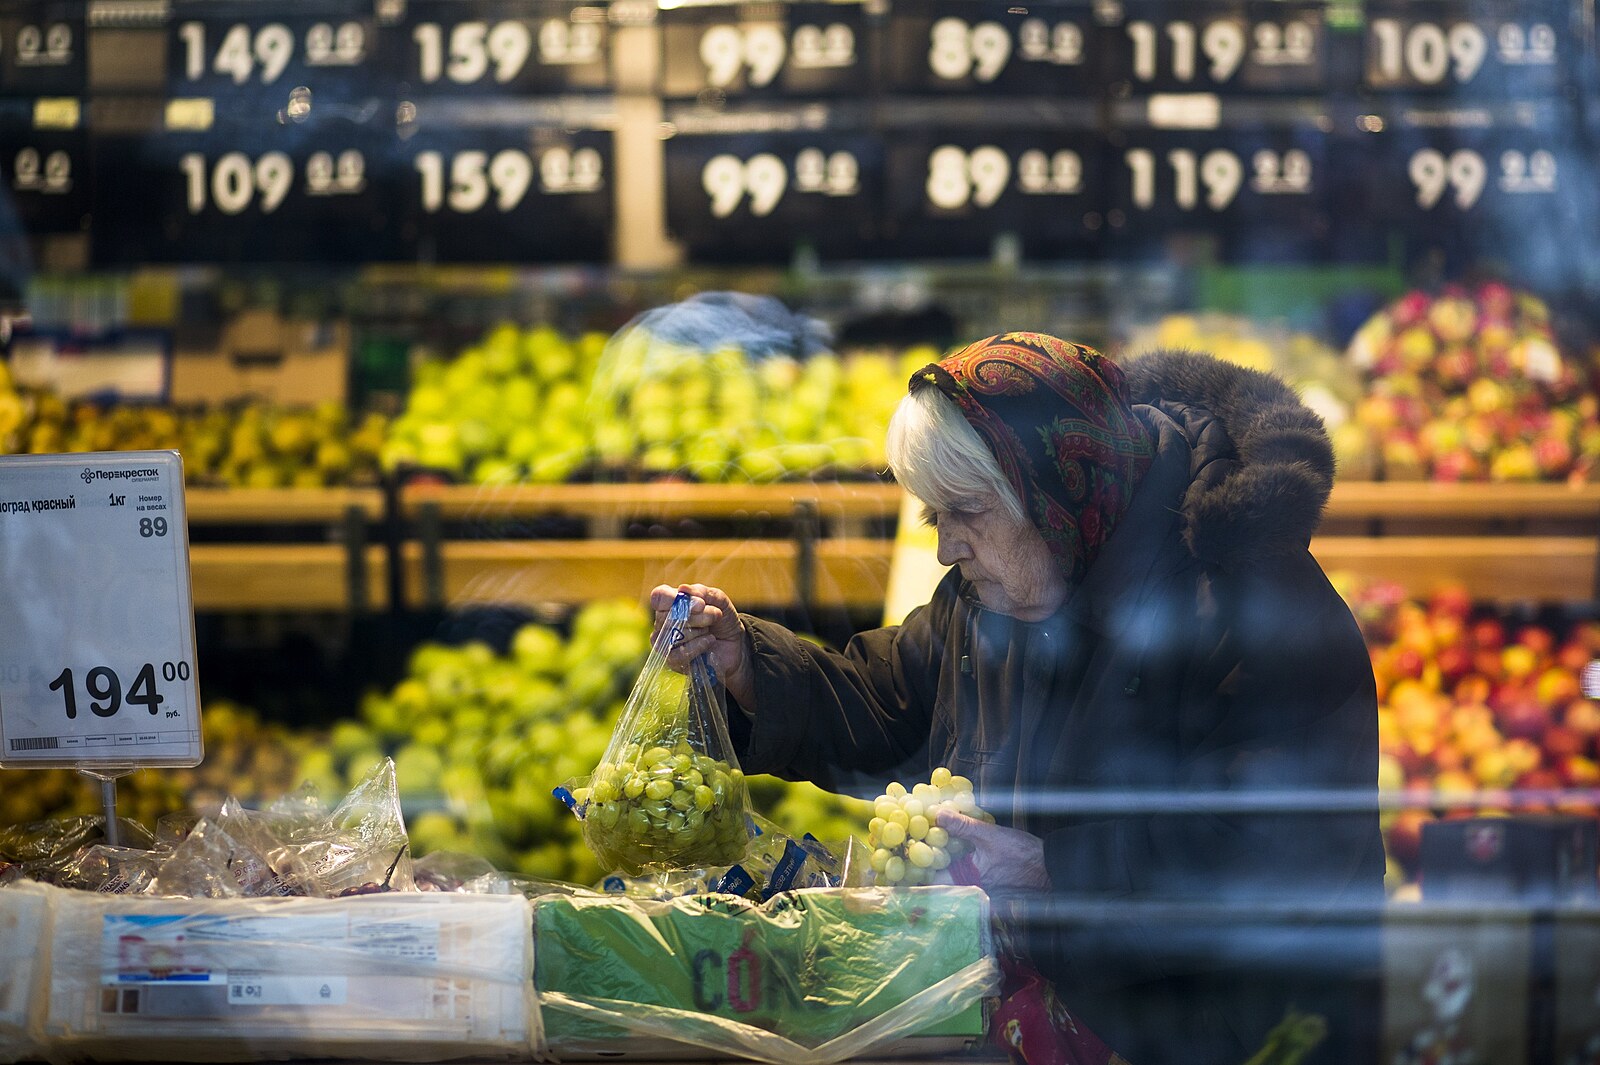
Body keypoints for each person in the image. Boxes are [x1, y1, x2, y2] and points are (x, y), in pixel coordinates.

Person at [652, 332, 1385, 1064]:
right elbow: (886, 696)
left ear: (1055, 492)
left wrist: (1054, 872)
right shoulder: (997, 595)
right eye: (934, 517)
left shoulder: (1254, 605)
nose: (947, 549)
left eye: (967, 511)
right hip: (1044, 1028)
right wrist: (747, 664)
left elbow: (1279, 857)